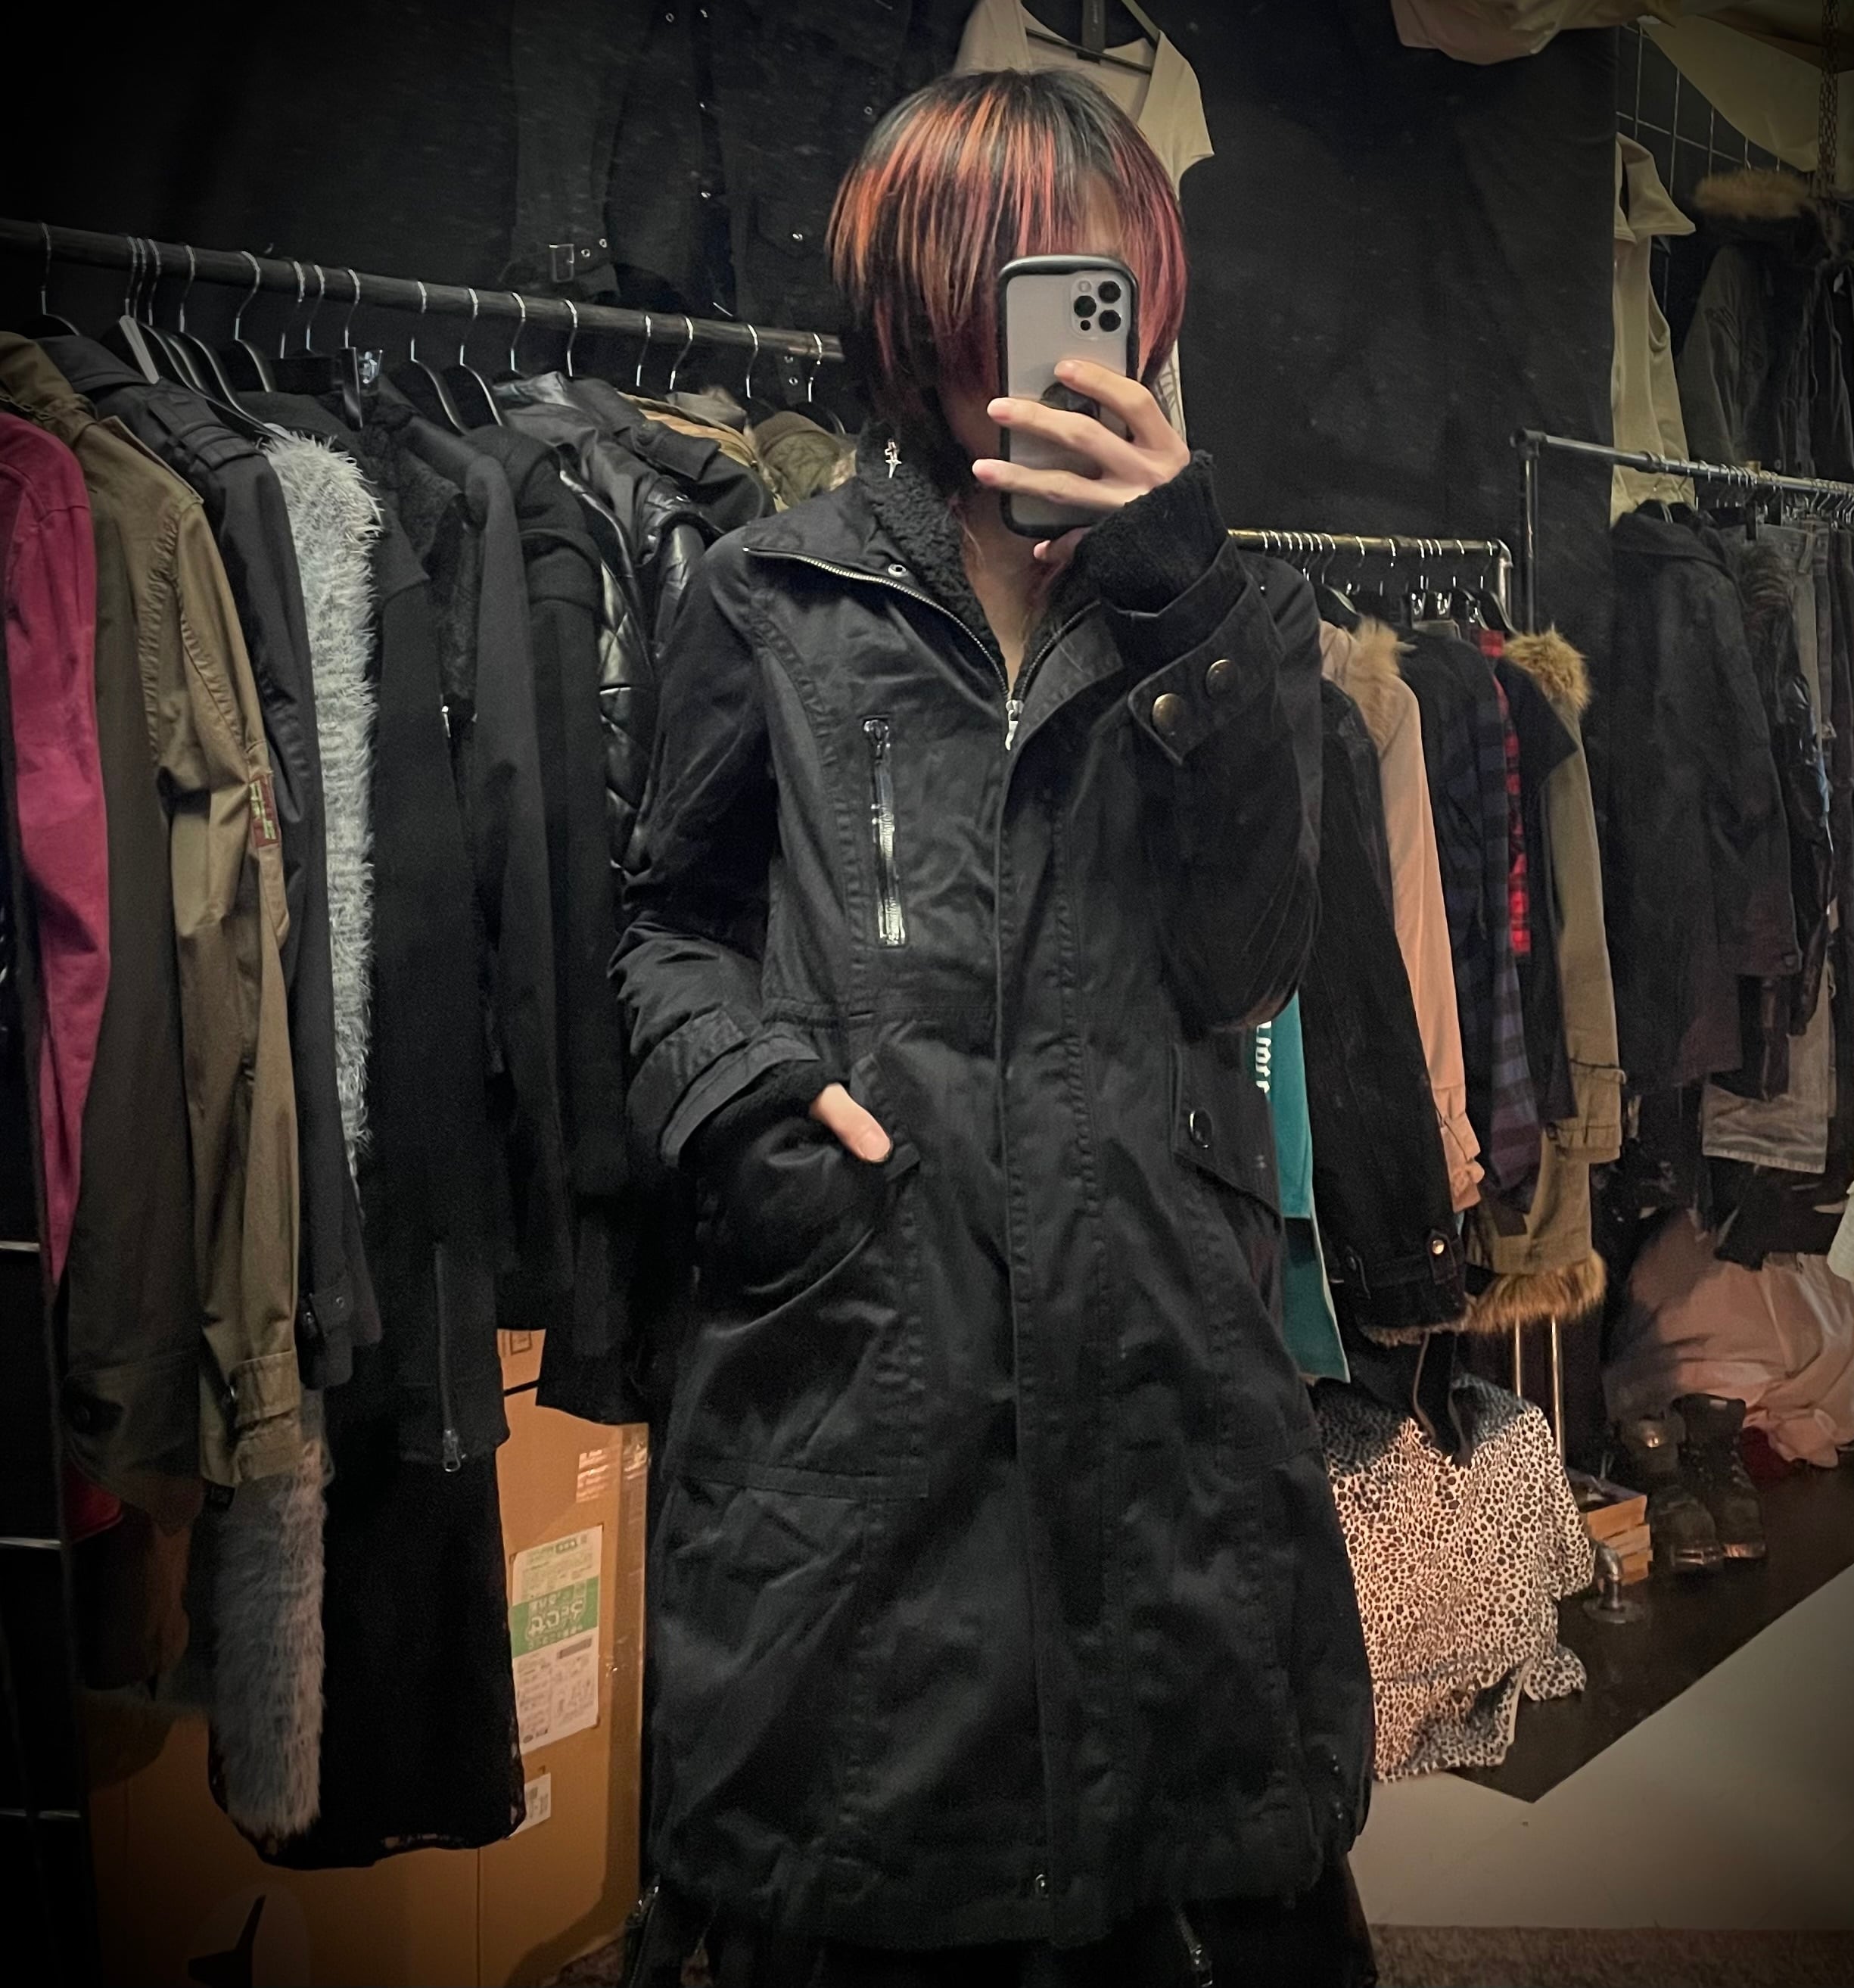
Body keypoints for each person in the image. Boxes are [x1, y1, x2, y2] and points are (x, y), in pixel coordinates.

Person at [616, 67, 1376, 1988]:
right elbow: (664, 925)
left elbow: (1246, 967)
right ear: (917, 309)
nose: (1043, 344)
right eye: (1005, 288)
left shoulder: (1239, 628)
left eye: (1090, 293)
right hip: (857, 1356)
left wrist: (1184, 604)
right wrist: (747, 1102)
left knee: (1189, 1866)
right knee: (852, 1856)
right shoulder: (769, 601)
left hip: (1164, 1376)